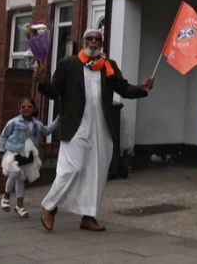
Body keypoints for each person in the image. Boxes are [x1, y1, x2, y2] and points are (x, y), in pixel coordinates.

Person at [36, 28, 154, 232]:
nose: (93, 42)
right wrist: (41, 82)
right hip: (75, 126)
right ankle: (49, 206)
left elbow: (124, 89)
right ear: (83, 42)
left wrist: (141, 88)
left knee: (96, 172)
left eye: (97, 40)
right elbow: (54, 92)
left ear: (101, 43)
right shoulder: (68, 65)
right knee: (71, 168)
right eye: (89, 39)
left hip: (101, 126)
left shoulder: (108, 66)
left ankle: (88, 216)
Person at [0, 96, 57, 218]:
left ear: (34, 108)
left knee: (21, 179)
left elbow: (46, 131)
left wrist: (58, 120)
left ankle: (19, 205)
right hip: (12, 153)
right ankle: (6, 196)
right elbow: (4, 135)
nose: (26, 109)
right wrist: (1, 150)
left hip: (25, 155)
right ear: (19, 109)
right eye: (23, 107)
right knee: (15, 172)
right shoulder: (14, 122)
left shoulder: (36, 123)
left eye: (29, 106)